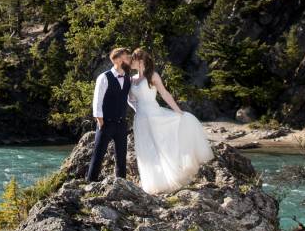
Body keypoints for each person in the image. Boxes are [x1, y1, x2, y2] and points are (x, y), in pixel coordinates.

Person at [129, 47, 214, 194]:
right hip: (140, 118)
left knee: (163, 145)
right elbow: (129, 99)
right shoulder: (132, 79)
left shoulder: (153, 75)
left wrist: (178, 111)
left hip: (155, 114)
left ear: (140, 60)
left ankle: (169, 180)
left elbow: (164, 94)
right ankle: (153, 185)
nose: (131, 61)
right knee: (146, 150)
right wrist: (137, 109)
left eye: (133, 58)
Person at [85, 47, 134, 181]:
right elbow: (97, 100)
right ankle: (90, 181)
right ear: (118, 60)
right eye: (126, 57)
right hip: (105, 122)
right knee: (98, 153)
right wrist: (100, 121)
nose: (129, 59)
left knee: (121, 155)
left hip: (121, 123)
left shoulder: (128, 78)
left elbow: (129, 99)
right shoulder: (104, 77)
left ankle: (121, 182)